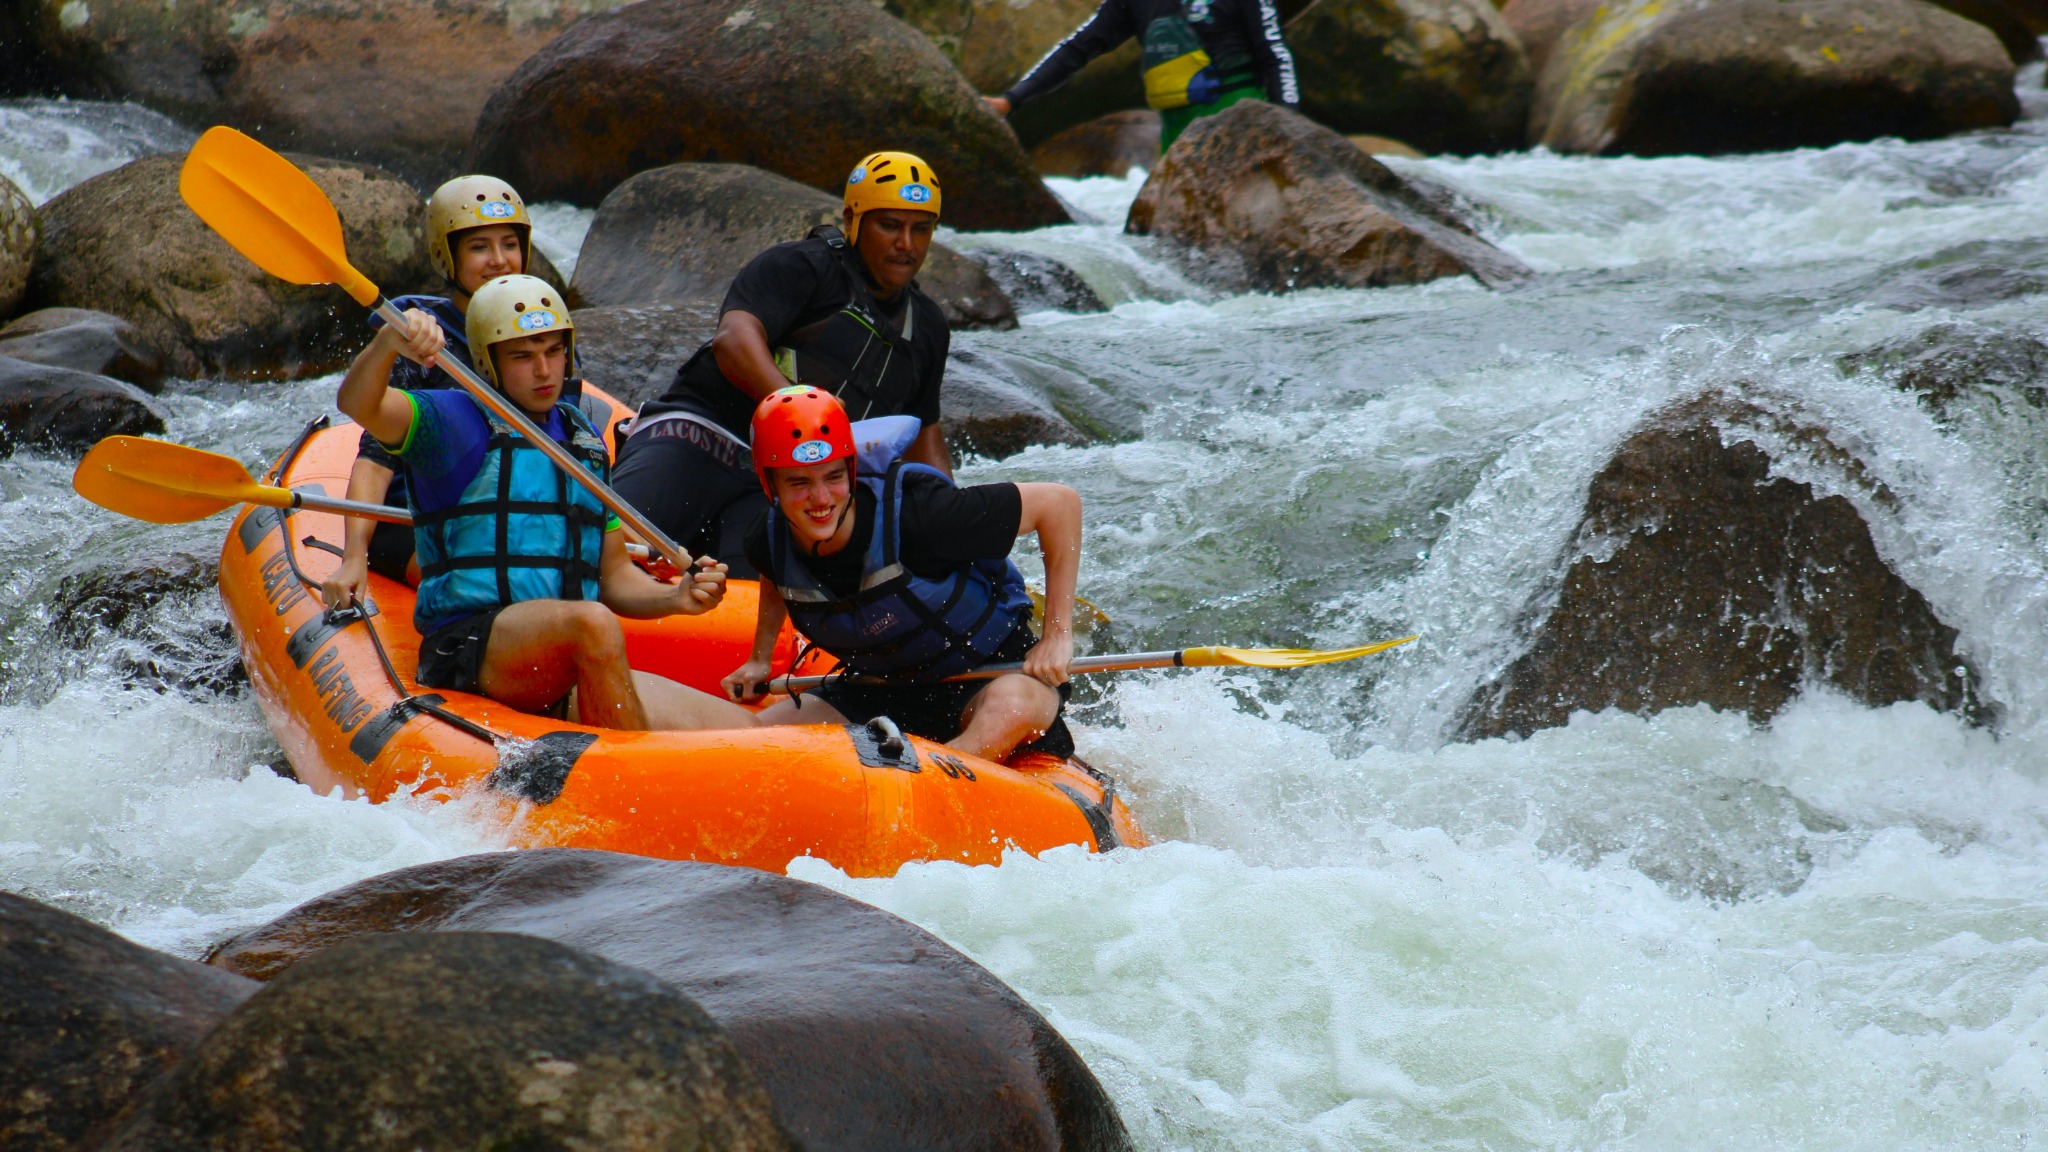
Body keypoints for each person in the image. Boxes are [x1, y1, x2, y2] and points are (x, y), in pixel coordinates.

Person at [337, 273, 758, 733]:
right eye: (523, 356)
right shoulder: (452, 420)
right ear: (488, 361)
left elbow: (614, 577)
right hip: (470, 646)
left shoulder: (584, 441)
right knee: (592, 623)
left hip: (563, 658)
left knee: (745, 730)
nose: (544, 371)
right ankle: (630, 777)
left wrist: (675, 597)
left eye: (553, 351)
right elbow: (359, 403)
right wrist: (386, 345)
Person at [613, 151, 957, 579]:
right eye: (890, 225)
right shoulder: (802, 266)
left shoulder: (926, 327)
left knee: (763, 589)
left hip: (785, 484)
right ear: (853, 220)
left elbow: (925, 435)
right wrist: (799, 406)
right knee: (611, 549)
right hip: (702, 436)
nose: (906, 244)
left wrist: (951, 519)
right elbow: (733, 339)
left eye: (920, 229)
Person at [722, 387, 1081, 762]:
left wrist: (1057, 635)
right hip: (877, 690)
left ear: (851, 469)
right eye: (799, 482)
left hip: (989, 675)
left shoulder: (921, 514)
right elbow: (775, 572)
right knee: (756, 742)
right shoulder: (766, 537)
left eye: (833, 477)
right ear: (770, 484)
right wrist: (760, 659)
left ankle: (939, 774)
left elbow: (1059, 504)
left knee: (1012, 705)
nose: (822, 498)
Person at [321, 175, 582, 611]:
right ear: (448, 256)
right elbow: (375, 458)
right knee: (505, 587)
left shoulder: (544, 334)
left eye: (510, 244)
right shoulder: (420, 336)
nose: (500, 261)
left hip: (511, 520)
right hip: (418, 523)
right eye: (479, 247)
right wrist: (353, 557)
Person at [984, 0, 1300, 152]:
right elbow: (1076, 49)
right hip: (1178, 143)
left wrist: (1288, 126)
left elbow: (1275, 55)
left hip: (1242, 129)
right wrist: (1011, 100)